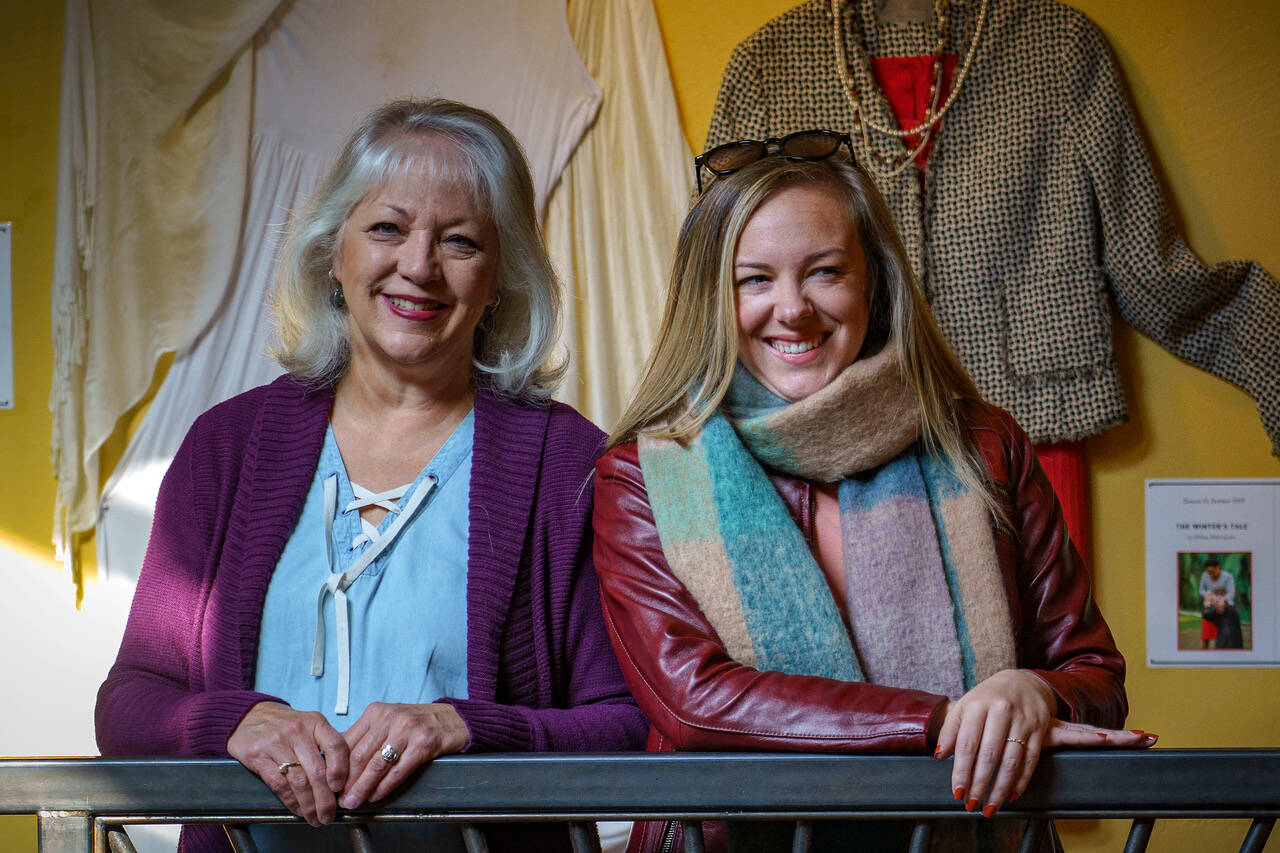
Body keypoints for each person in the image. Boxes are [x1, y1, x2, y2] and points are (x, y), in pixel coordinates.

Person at [96, 98, 647, 852]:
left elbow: (627, 720)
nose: (416, 266)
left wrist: (465, 725)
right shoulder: (223, 446)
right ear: (334, 251)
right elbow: (129, 703)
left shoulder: (568, 463)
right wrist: (230, 722)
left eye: (459, 241)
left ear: (501, 279)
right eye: (386, 228)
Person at [592, 132, 1155, 853]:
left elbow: (1096, 675)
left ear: (874, 281)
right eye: (753, 280)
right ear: (711, 298)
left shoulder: (983, 443)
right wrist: (939, 723)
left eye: (824, 272)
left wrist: (1033, 692)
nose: (791, 309)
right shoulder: (643, 473)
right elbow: (695, 701)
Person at [1199, 557, 1243, 649]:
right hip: (1209, 610)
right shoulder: (1204, 575)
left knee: (1224, 637)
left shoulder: (1228, 577)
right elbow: (1201, 590)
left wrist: (1222, 600)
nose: (1211, 575)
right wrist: (1208, 594)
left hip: (1225, 609)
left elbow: (1231, 594)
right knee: (1205, 638)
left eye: (1213, 572)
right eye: (1209, 572)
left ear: (1218, 567)